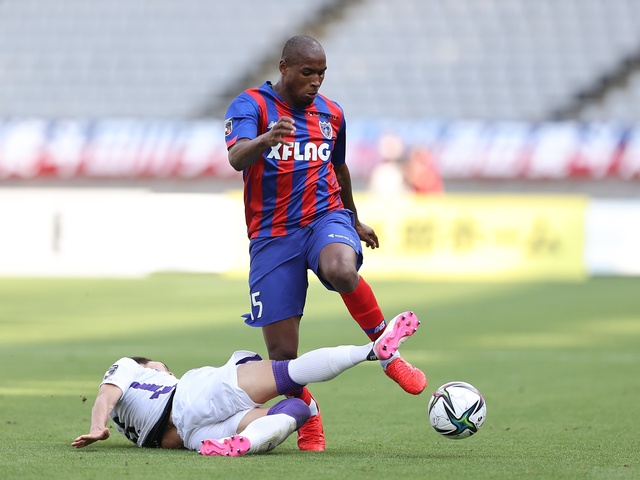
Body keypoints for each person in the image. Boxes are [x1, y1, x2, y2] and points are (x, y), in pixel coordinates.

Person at [223, 34, 427, 452]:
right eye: (307, 72)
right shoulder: (251, 106)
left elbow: (339, 167)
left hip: (324, 217)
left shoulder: (331, 113)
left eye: (321, 73)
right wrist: (265, 140)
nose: (316, 81)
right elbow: (236, 156)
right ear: (284, 68)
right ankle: (309, 414)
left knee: (340, 269)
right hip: (272, 234)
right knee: (282, 358)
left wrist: (353, 217)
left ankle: (387, 352)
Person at [71, 312, 421, 456]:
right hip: (190, 398)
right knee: (289, 372)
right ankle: (370, 351)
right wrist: (98, 427)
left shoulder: (128, 422)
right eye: (162, 367)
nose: (165, 369)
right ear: (149, 365)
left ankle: (243, 443)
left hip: (186, 438)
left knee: (296, 408)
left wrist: (104, 429)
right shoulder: (129, 366)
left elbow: (110, 403)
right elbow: (104, 396)